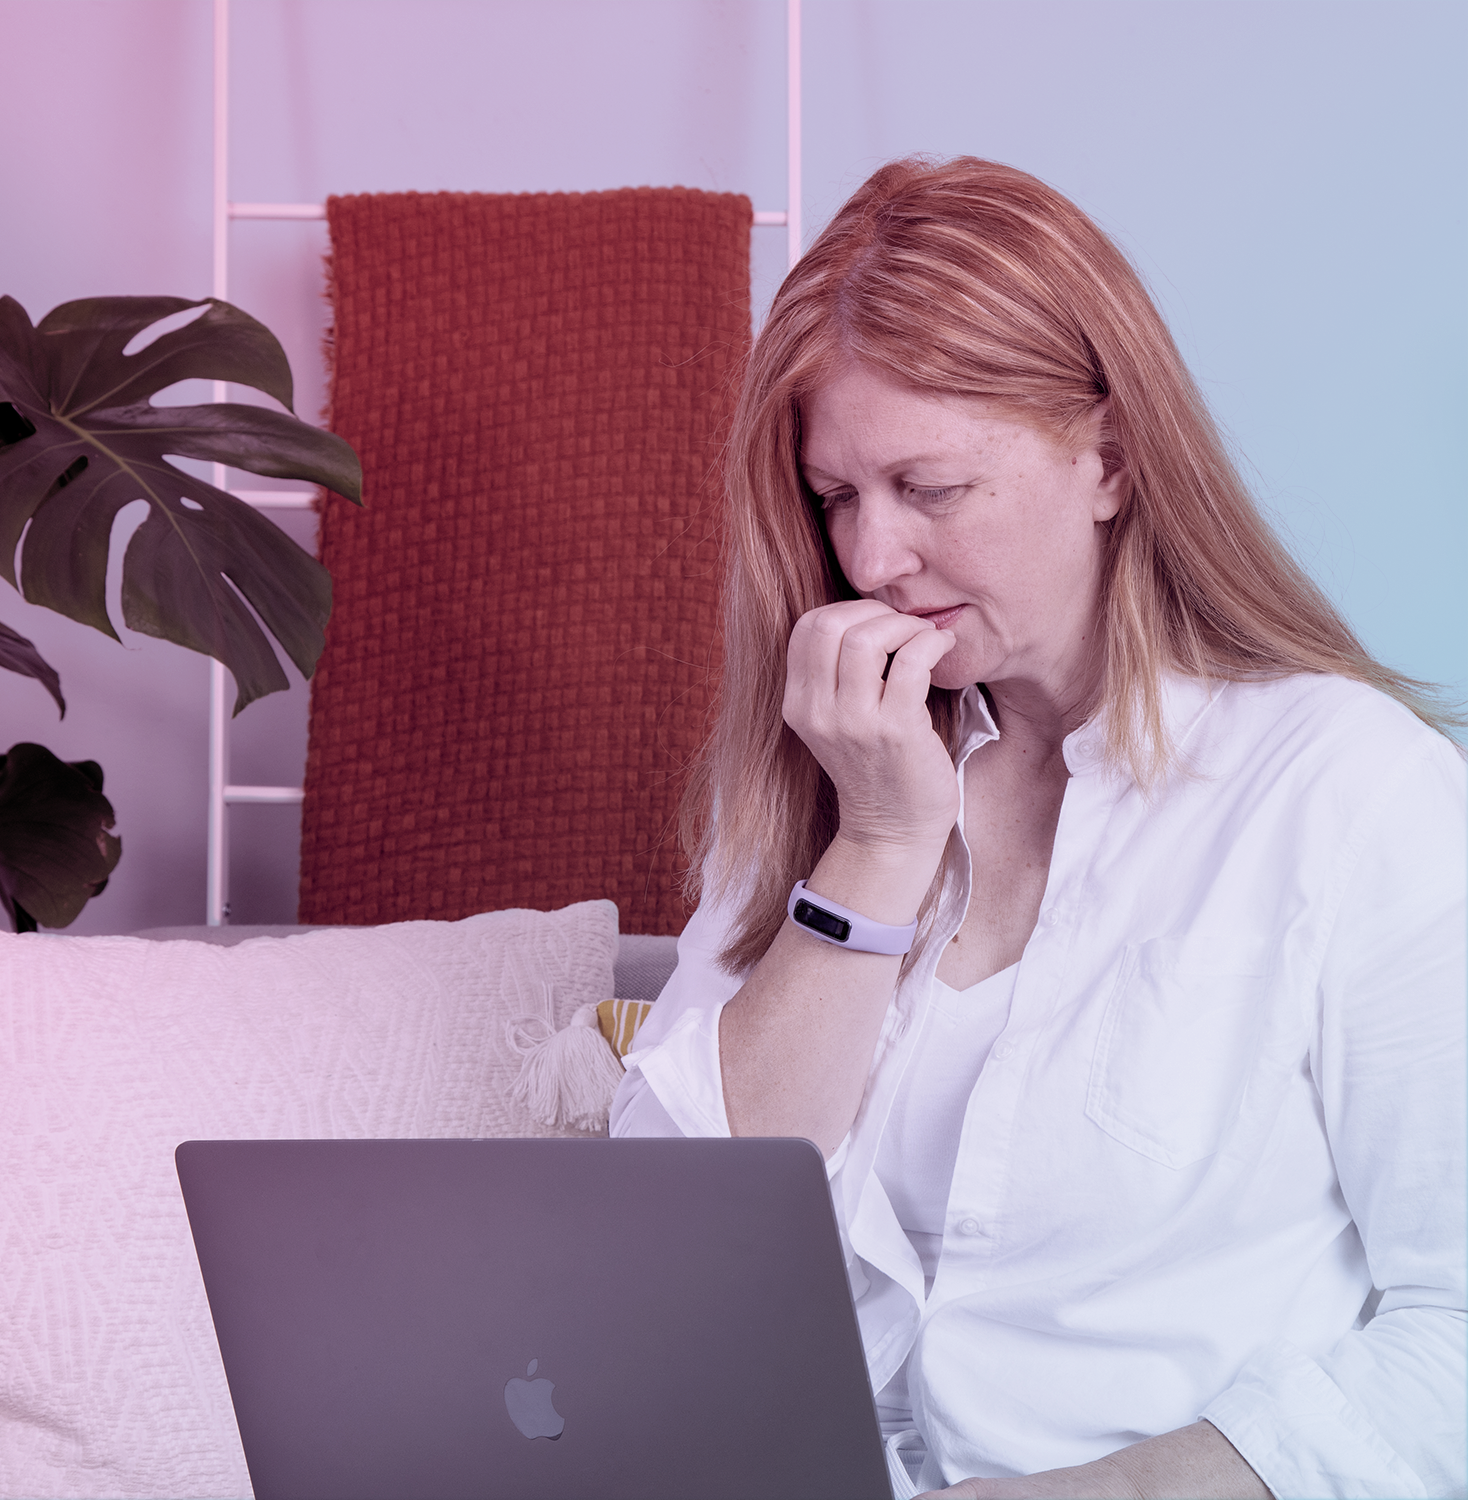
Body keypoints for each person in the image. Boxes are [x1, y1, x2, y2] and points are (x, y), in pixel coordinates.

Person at [608, 156, 1466, 1500]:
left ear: (1110, 461)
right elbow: (668, 1248)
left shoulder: (1350, 793)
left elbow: (1458, 1335)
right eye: (835, 496)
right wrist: (880, 844)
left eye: (929, 488)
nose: (872, 558)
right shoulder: (834, 772)